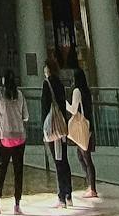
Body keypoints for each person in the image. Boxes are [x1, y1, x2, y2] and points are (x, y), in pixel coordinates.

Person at [0, 67, 28, 214]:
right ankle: (17, 204)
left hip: (5, 137)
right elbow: (26, 116)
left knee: (1, 170)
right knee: (18, 171)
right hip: (19, 137)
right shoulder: (20, 95)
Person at [41, 52, 74, 205]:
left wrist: (44, 128)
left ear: (48, 69)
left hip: (53, 127)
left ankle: (62, 195)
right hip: (62, 126)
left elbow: (44, 107)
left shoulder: (47, 84)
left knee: (57, 161)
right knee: (64, 160)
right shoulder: (60, 83)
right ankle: (69, 194)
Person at [68, 65, 98, 198]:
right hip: (88, 124)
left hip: (81, 125)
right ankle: (90, 185)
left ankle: (92, 187)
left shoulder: (76, 91)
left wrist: (64, 104)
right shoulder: (86, 91)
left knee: (85, 157)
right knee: (83, 156)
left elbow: (74, 110)